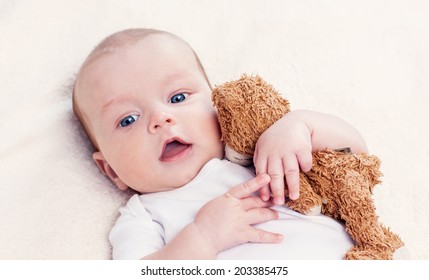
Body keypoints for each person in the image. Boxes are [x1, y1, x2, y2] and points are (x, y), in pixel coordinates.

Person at [72, 28, 369, 259]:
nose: (160, 118)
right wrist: (203, 237)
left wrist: (300, 126)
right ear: (110, 169)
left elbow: (355, 154)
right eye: (128, 119)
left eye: (177, 98)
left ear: (216, 104)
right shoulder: (144, 215)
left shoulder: (256, 152)